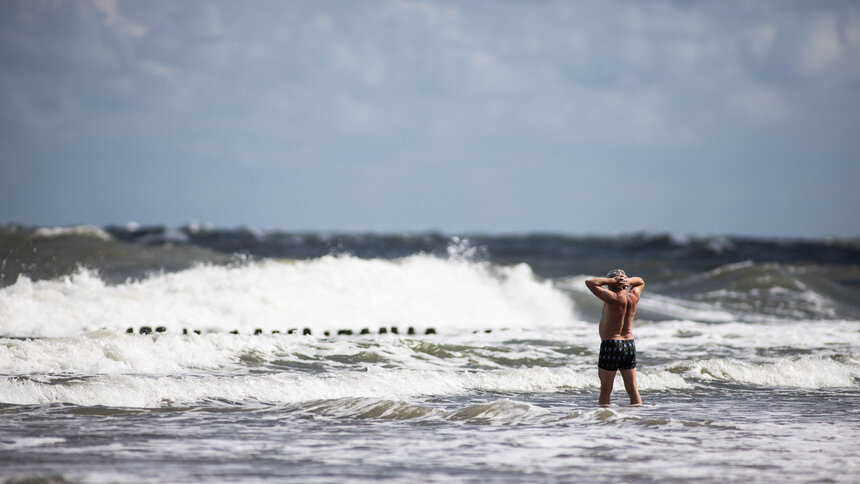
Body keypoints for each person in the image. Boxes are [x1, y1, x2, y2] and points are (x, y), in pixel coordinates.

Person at [585, 269, 644, 406]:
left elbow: (590, 283)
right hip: (629, 344)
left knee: (606, 390)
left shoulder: (612, 297)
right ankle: (639, 418)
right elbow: (640, 281)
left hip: (611, 344)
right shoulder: (633, 296)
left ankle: (603, 422)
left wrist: (611, 281)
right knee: (632, 388)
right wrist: (628, 281)